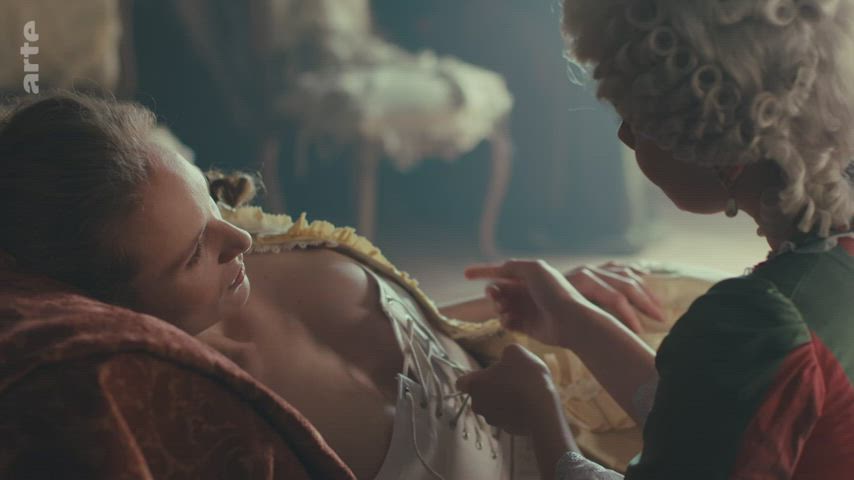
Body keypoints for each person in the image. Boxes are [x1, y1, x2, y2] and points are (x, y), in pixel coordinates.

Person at [0, 92, 673, 479]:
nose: (240, 238)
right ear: (116, 311)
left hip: (550, 370)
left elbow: (411, 347)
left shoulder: (233, 244)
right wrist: (547, 420)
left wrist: (555, 313)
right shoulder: (215, 432)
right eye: (195, 253)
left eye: (210, 199)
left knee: (683, 312)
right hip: (569, 448)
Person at [455, 0, 854, 478]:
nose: (625, 137)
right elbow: (704, 419)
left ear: (720, 143)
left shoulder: (759, 319)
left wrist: (540, 416)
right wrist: (572, 318)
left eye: (638, 120)